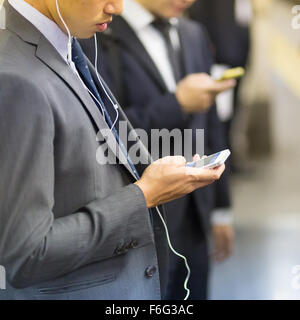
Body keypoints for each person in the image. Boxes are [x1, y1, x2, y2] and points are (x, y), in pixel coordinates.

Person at [0, 0, 225, 300]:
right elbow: (26, 253)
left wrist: (160, 173)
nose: (117, 8)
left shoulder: (66, 45)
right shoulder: (17, 77)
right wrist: (143, 196)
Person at [80, 0, 235, 299]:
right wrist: (176, 105)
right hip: (139, 219)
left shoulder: (194, 33)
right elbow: (100, 134)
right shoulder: (95, 35)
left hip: (195, 216)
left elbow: (211, 127)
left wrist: (221, 211)